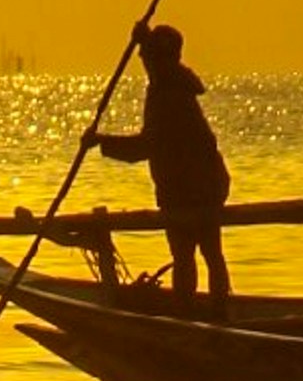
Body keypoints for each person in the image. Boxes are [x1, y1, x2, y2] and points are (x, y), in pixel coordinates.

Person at [94, 21, 233, 299]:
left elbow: (147, 146)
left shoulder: (169, 94)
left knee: (192, 254)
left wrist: (102, 142)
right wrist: (143, 38)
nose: (145, 63)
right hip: (196, 187)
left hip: (193, 189)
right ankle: (207, 310)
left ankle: (198, 312)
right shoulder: (171, 84)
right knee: (203, 253)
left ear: (162, 59)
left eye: (149, 58)